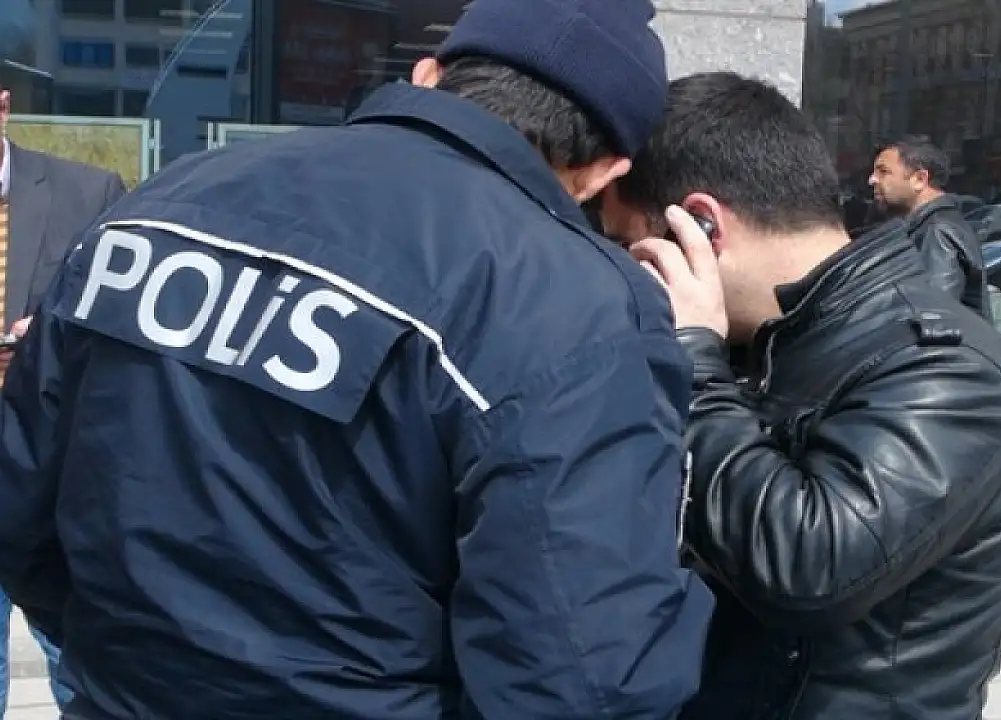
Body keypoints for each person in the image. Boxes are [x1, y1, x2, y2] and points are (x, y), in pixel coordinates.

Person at [0, 1, 714, 717]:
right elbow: (579, 676)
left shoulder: (164, 200)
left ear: (427, 75)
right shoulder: (572, 299)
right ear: (604, 171)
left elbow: (23, 510)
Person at [599, 72, 1001, 720]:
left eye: (629, 246)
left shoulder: (949, 370)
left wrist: (694, 366)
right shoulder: (764, 340)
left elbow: (810, 567)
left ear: (702, 224)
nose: (629, 273)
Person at [0, 83, 125, 716]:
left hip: (54, 477)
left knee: (83, 680)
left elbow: (125, 322)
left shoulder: (88, 194)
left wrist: (54, 331)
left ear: (2, 105)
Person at [869, 136, 990, 317]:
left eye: (883, 171)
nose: (872, 180)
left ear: (920, 179)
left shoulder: (937, 231)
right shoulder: (931, 226)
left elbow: (933, 316)